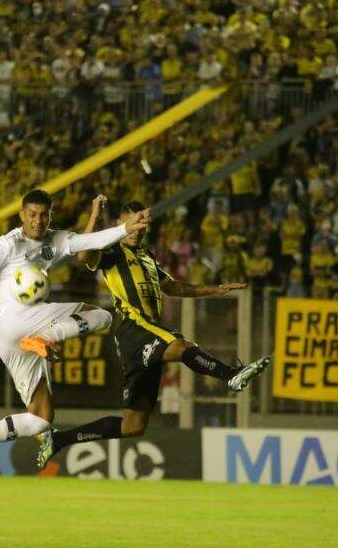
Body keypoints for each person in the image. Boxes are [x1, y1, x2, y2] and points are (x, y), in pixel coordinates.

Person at [0, 190, 151, 472]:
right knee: (102, 315)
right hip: (16, 321)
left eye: (43, 215)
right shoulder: (8, 244)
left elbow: (90, 241)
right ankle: (49, 337)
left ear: (50, 216)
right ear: (22, 215)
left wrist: (124, 229)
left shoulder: (56, 239)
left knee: (41, 419)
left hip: (9, 338)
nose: (38, 220)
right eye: (32, 214)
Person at [37, 198, 271, 468]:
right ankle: (230, 375)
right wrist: (93, 215)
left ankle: (60, 440)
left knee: (132, 426)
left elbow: (175, 288)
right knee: (180, 344)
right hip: (135, 329)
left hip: (143, 335)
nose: (139, 228)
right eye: (133, 223)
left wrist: (215, 289)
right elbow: (83, 255)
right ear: (120, 225)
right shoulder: (113, 252)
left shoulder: (147, 258)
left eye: (143, 223)